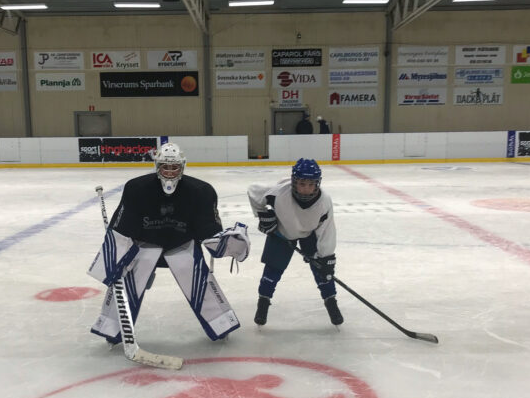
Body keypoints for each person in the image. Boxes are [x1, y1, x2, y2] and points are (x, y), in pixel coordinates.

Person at [88, 142, 249, 343]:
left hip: (181, 245)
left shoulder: (201, 191)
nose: (170, 172)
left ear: (182, 166)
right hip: (144, 246)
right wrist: (114, 260)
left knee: (197, 278)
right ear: (157, 166)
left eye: (174, 167)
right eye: (166, 167)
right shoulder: (137, 188)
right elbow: (122, 228)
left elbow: (207, 228)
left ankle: (221, 323)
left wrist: (226, 241)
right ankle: (111, 327)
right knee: (128, 276)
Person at [247, 158, 342, 326]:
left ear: (318, 183)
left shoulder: (324, 202)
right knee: (272, 269)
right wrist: (262, 215)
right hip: (282, 233)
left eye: (311, 184)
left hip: (309, 234)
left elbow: (327, 231)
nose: (306, 189)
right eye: (302, 184)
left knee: (321, 270)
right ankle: (263, 302)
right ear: (294, 182)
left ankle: (331, 302)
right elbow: (253, 191)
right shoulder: (278, 193)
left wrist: (326, 257)